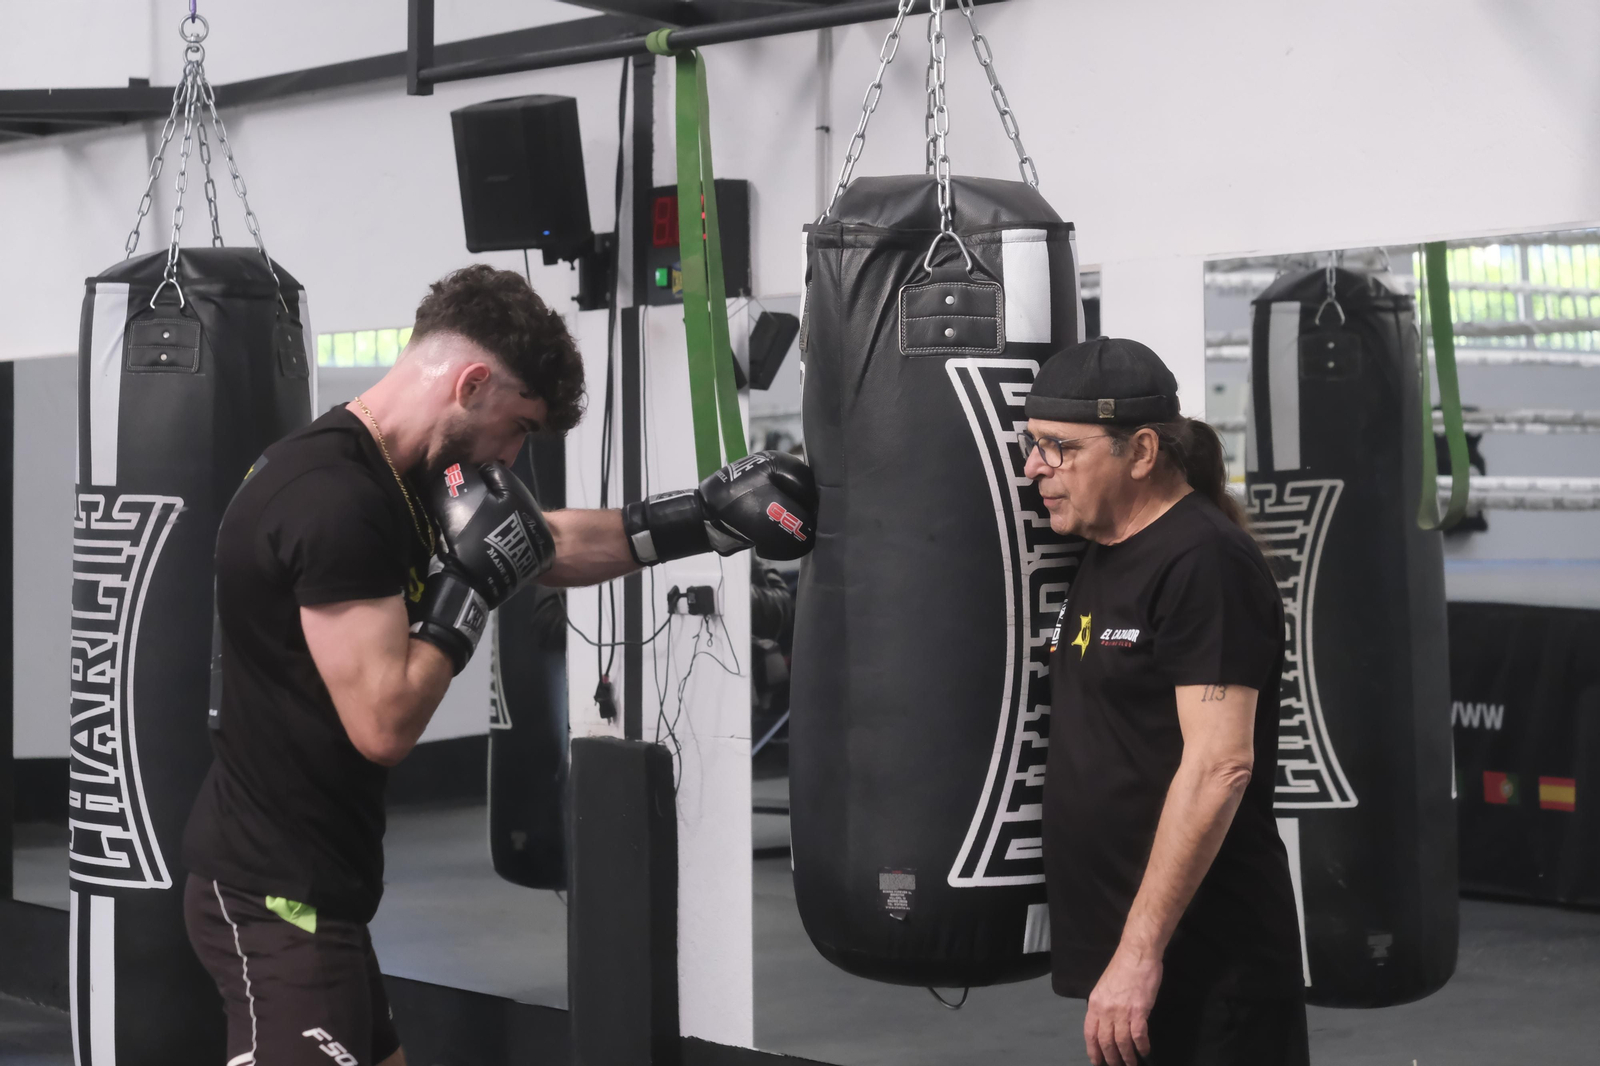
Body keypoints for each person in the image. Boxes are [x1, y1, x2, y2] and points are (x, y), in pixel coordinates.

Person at [181, 265, 815, 1066]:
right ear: (472, 381)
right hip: (273, 894)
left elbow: (540, 545)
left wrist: (704, 520)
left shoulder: (400, 475)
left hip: (322, 883)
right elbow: (384, 722)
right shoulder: (331, 499)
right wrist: (469, 589)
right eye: (517, 426)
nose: (513, 456)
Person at [1023, 337, 1307, 1066]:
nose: (1035, 470)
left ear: (1141, 451)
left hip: (1206, 964)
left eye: (1060, 448)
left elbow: (1220, 767)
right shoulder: (1102, 551)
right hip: (1128, 963)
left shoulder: (1203, 562)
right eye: (1033, 447)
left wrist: (1139, 956)